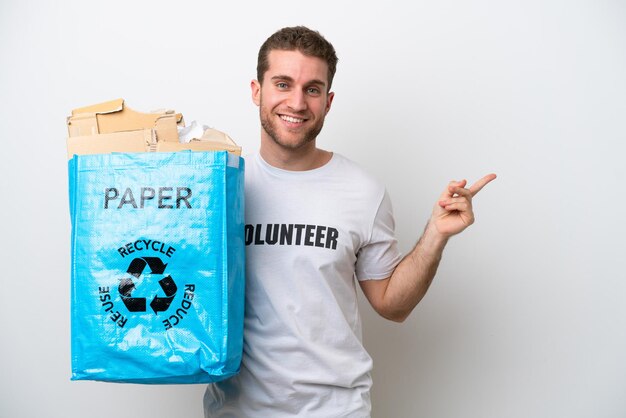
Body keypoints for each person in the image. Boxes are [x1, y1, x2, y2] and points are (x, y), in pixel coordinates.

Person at [204, 26, 496, 417]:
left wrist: (436, 234)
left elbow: (392, 305)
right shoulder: (218, 187)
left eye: (312, 89)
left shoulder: (363, 191)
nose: (297, 102)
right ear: (257, 91)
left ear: (328, 100)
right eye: (283, 84)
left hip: (335, 408)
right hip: (236, 410)